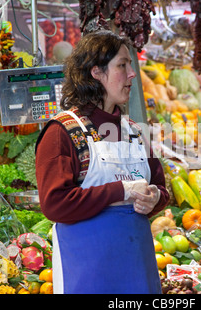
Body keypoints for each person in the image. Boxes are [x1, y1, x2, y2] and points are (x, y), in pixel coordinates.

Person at [35, 30, 170, 294]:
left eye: (131, 65)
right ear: (96, 72)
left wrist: (155, 197)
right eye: (122, 65)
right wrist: (121, 190)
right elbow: (54, 204)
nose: (132, 74)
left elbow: (161, 189)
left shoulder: (135, 131)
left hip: (139, 269)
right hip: (88, 274)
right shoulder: (62, 132)